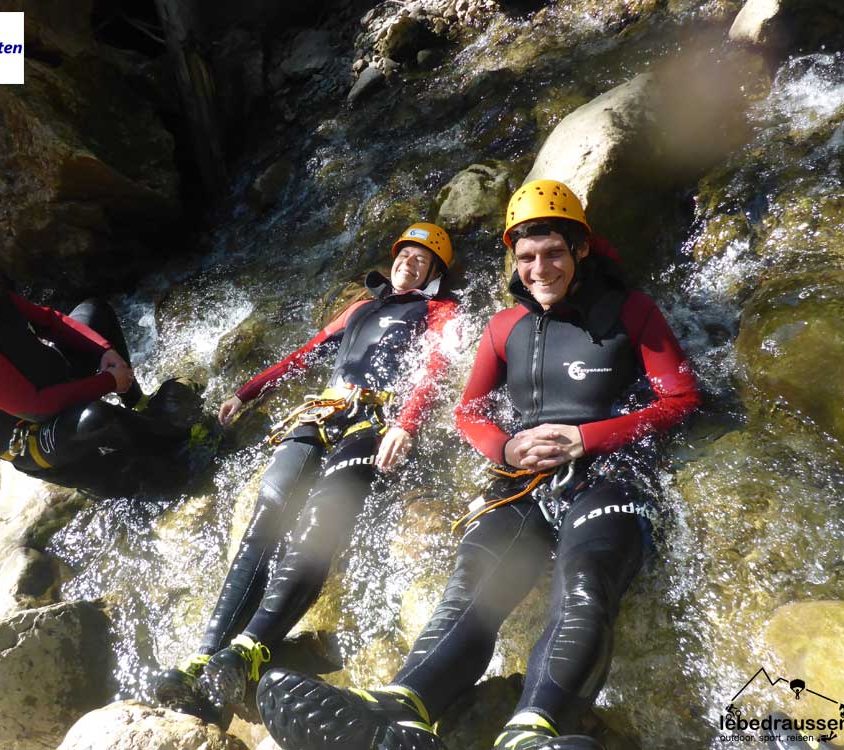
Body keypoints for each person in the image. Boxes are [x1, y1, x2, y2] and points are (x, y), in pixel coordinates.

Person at [253, 180, 701, 750]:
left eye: (554, 253)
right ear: (515, 260)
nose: (541, 268)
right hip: (520, 481)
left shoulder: (632, 311)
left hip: (611, 474)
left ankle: (534, 729)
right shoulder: (503, 328)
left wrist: (586, 437)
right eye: (528, 256)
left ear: (581, 250)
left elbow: (681, 400)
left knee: (586, 583)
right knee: (472, 585)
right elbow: (468, 413)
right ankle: (403, 706)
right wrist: (506, 449)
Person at [154, 222, 460, 725]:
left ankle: (252, 647)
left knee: (320, 524)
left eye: (422, 260)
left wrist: (405, 424)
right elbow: (306, 354)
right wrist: (247, 392)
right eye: (405, 255)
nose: (409, 263)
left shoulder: (440, 311)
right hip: (321, 413)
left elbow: (433, 370)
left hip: (373, 419)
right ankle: (204, 657)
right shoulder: (360, 308)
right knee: (268, 518)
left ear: (434, 274)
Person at [0, 221, 198, 495]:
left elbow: (51, 321)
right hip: (31, 435)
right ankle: (160, 437)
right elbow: (35, 407)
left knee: (95, 312)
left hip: (47, 381)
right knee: (95, 418)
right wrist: (108, 381)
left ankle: (139, 405)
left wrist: (104, 351)